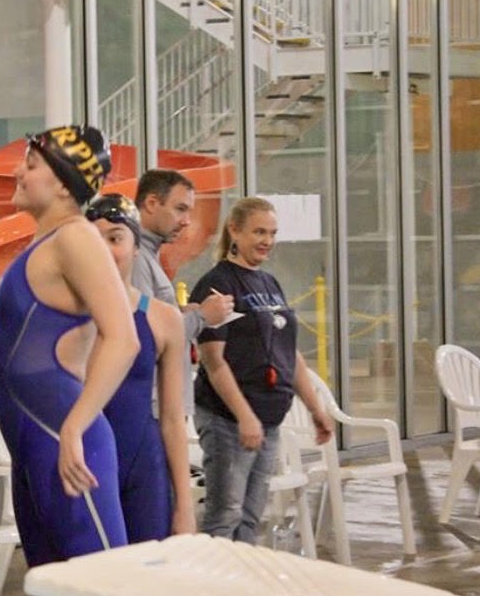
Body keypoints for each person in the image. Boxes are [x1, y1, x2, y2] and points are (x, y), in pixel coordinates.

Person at [0, 125, 140, 596]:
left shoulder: (77, 237)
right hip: (33, 449)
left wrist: (76, 425)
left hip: (66, 444)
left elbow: (123, 338)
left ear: (61, 183)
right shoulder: (46, 242)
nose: (17, 171)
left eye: (31, 165)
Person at [189, 196, 333, 545]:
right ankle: (212, 592)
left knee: (251, 517)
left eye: (272, 232)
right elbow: (214, 361)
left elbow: (290, 355)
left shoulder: (270, 284)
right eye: (258, 232)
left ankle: (243, 590)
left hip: (268, 421)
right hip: (228, 421)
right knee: (225, 514)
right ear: (234, 231)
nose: (267, 240)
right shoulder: (218, 284)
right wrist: (244, 416)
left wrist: (316, 409)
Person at [86, 193, 197, 541]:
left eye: (116, 238)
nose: (105, 249)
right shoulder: (69, 319)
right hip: (84, 465)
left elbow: (172, 418)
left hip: (143, 466)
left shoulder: (164, 320)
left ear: (136, 246)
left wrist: (185, 505)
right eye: (95, 239)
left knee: (148, 580)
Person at [131, 169, 233, 412]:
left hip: (161, 405)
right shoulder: (136, 259)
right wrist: (201, 317)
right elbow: (147, 336)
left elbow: (153, 316)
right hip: (152, 407)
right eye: (180, 209)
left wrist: (180, 312)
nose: (187, 220)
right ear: (152, 203)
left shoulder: (149, 256)